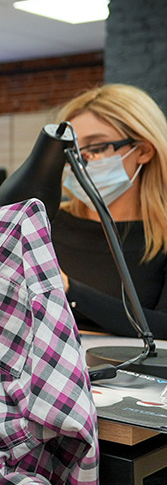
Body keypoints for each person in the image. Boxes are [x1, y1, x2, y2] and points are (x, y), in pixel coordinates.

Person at [50, 84, 167, 338]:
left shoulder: (162, 237)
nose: (81, 162)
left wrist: (71, 291)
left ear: (143, 150)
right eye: (72, 151)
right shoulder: (48, 224)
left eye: (96, 148)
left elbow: (163, 327)